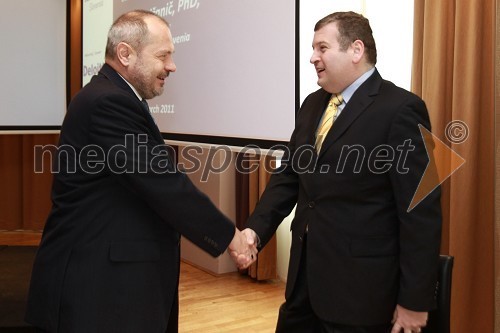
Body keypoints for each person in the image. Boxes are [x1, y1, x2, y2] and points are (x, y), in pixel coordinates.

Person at [25, 10, 255, 333]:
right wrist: (230, 235)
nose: (172, 66)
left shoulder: (113, 96)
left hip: (108, 282)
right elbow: (163, 183)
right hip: (98, 289)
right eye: (163, 55)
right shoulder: (108, 103)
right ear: (125, 54)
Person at [242, 11, 442, 333]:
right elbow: (289, 177)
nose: (312, 58)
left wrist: (415, 300)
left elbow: (421, 211)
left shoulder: (402, 109)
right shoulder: (311, 105)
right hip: (302, 286)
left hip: (361, 296)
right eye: (312, 48)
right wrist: (254, 231)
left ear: (356, 50)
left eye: (322, 48)